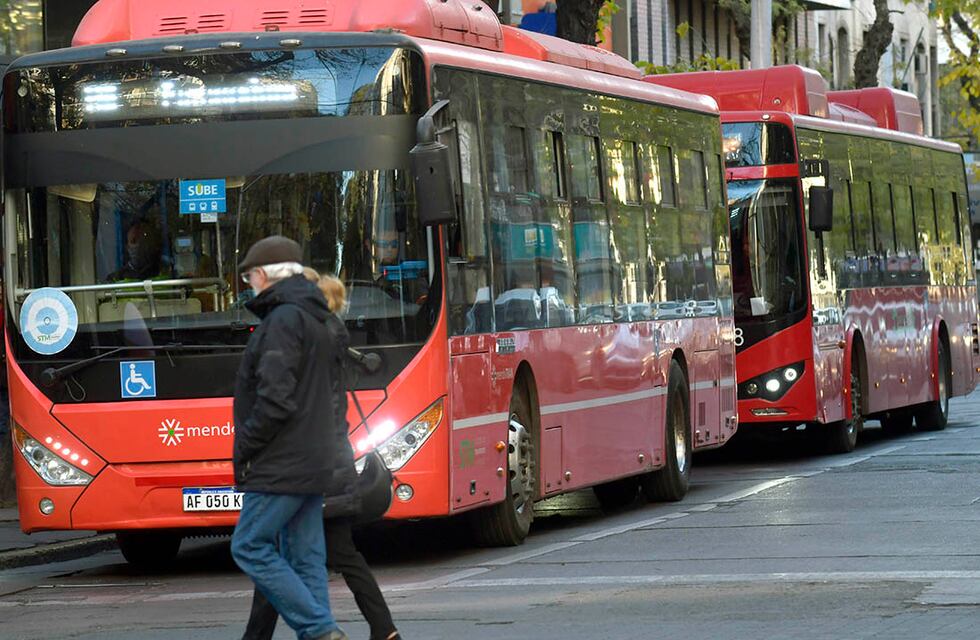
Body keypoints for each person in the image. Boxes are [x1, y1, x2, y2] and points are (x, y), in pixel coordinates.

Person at [242, 268, 401, 640]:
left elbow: (287, 403)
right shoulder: (330, 334)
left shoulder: (311, 337)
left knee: (270, 554)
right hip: (332, 463)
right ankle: (383, 629)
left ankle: (335, 630)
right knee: (326, 556)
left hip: (314, 468)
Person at [230, 236, 348, 640]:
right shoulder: (316, 318)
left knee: (248, 545)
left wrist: (245, 444)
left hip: (280, 461)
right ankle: (321, 633)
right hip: (313, 458)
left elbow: (274, 401)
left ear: (262, 275)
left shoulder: (281, 321)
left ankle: (318, 629)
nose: (250, 285)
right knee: (306, 556)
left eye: (249, 278)